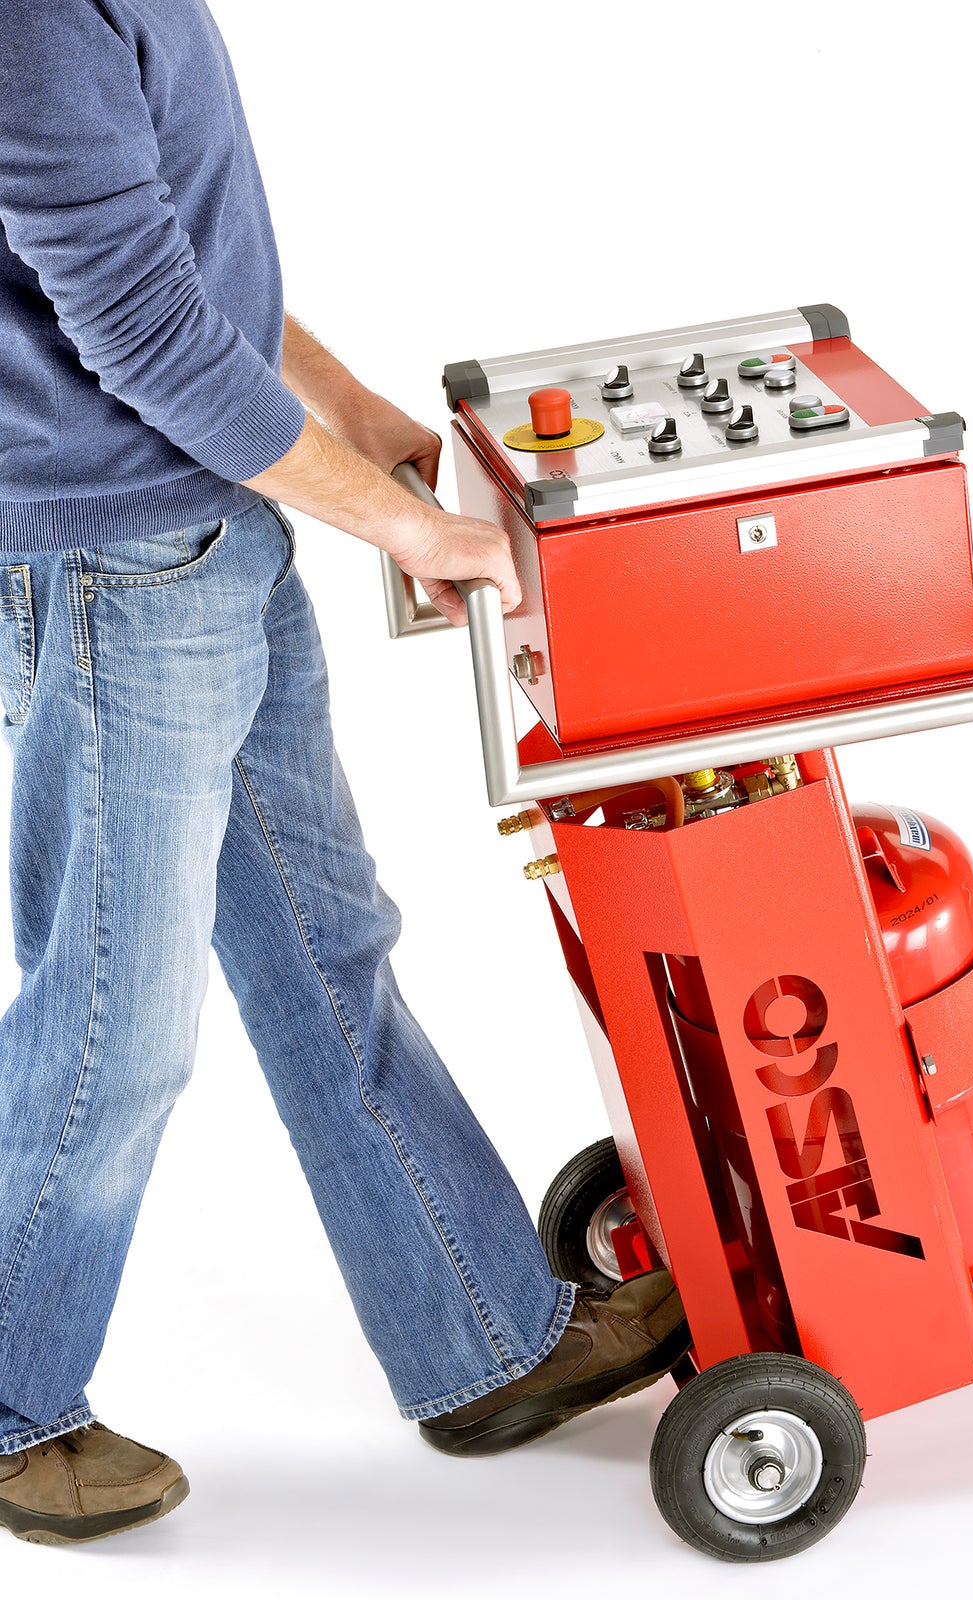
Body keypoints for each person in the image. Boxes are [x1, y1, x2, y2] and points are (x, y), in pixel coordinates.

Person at [0, 0, 688, 1547]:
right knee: (114, 1026)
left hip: (211, 520)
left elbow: (190, 263)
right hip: (114, 561)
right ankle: (10, 1403)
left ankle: (479, 1337)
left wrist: (358, 418)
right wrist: (403, 526)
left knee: (324, 950)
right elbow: (144, 336)